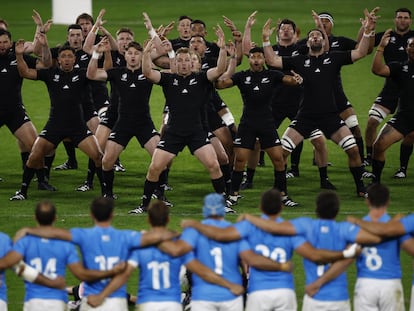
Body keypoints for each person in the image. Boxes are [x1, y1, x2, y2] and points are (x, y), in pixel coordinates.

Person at [181, 188, 361, 311]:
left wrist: (195, 225)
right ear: (281, 207)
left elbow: (224, 237)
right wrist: (346, 253)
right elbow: (313, 255)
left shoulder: (247, 229)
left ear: (260, 207)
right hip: (285, 293)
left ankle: (186, 295)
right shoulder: (292, 231)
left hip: (258, 293)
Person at [262, 8, 377, 197]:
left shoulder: (334, 58)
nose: (315, 38)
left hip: (330, 117)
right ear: (307, 43)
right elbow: (273, 60)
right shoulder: (299, 60)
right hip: (305, 117)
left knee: (354, 151)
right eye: (312, 36)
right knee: (280, 154)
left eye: (318, 36)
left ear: (325, 42)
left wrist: (368, 30)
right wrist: (266, 39)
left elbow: (361, 52)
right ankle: (281, 191)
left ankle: (360, 188)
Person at [129, 25, 228, 214]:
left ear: (192, 63)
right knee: (154, 168)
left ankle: (223, 205)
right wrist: (147, 53)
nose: (183, 63)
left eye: (186, 61)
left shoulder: (202, 78)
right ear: (177, 63)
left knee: (214, 165)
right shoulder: (169, 79)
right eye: (180, 60)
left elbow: (220, 69)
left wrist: (223, 49)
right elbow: (148, 73)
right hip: (173, 133)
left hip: (196, 133)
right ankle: (144, 205)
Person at [15, 197, 177, 310]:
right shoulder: (126, 237)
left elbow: (57, 234)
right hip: (117, 303)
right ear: (112, 215)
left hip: (91, 301)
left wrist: (29, 230)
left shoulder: (82, 235)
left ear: (91, 215)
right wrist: (174, 234)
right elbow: (156, 236)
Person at [83, 200, 245, 310]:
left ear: (148, 220)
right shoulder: (179, 250)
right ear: (168, 219)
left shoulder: (140, 249)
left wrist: (101, 295)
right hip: (172, 304)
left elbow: (123, 275)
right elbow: (203, 271)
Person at [240, 190, 381, 310]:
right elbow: (375, 238)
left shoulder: (306, 226)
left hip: (309, 298)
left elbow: (275, 228)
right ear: (337, 210)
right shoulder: (345, 229)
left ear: (316, 208)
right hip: (338, 297)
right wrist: (352, 241)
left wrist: (249, 218)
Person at [158, 193, 295, 310]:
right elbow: (247, 261)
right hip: (231, 295)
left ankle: (188, 295)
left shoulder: (192, 233)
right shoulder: (235, 232)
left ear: (205, 210)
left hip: (202, 295)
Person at [10, 42, 106, 200]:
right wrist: (19, 55)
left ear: (74, 59)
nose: (67, 59)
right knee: (34, 155)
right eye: (63, 56)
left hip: (78, 127)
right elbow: (25, 72)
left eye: (69, 56)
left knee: (98, 156)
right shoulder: (49, 74)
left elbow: (104, 72)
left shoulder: (82, 74)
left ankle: (106, 193)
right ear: (59, 60)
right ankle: (22, 192)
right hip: (55, 125)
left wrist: (100, 54)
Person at [216, 46, 303, 207]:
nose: (256, 60)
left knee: (278, 159)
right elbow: (221, 85)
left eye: (259, 57)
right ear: (249, 59)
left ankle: (282, 195)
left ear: (264, 60)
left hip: (267, 124)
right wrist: (219, 71)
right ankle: (233, 195)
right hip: (247, 124)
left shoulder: (273, 75)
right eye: (253, 57)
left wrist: (297, 79)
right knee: (240, 160)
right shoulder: (242, 76)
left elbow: (290, 81)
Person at [1, 200, 126, 311]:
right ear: (55, 218)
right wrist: (110, 272)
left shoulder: (24, 243)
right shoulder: (65, 245)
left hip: (33, 301)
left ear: (35, 217)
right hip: (57, 301)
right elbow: (80, 274)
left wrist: (23, 233)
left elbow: (10, 263)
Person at [313, 184, 413, 310]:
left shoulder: (357, 229)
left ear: (367, 201)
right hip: (391, 284)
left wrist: (320, 281)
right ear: (388, 201)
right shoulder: (396, 228)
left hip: (366, 285)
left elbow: (348, 257)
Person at [87, 39, 162, 200]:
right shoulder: (116, 73)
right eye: (130, 53)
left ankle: (160, 194)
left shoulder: (148, 73)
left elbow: (170, 74)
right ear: (125, 56)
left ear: (141, 56)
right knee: (107, 160)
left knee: (160, 159)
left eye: (136, 53)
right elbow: (91, 74)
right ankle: (107, 193)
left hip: (144, 123)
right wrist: (95, 54)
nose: (133, 56)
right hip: (123, 124)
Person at [0, 27, 56, 192]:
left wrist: (44, 44)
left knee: (35, 146)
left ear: (11, 43)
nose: (2, 45)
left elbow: (44, 65)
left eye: (5, 42)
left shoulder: (19, 57)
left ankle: (41, 181)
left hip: (14, 111)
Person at [364, 8, 414, 177]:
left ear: (410, 20)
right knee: (374, 126)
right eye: (399, 17)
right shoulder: (399, 64)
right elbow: (365, 50)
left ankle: (402, 169)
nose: (402, 20)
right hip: (394, 94)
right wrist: (370, 34)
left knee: (410, 136)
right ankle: (371, 162)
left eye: (406, 18)